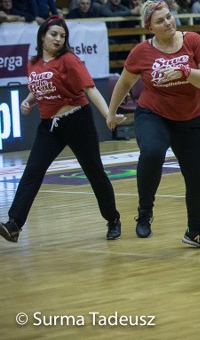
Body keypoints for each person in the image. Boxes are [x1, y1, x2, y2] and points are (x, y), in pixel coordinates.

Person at [0, 17, 123, 243]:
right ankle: (14, 224)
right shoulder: (33, 63)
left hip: (77, 120)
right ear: (42, 36)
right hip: (49, 126)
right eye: (54, 34)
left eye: (62, 36)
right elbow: (39, 90)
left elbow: (91, 90)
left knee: (94, 172)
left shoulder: (68, 60)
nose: (58, 39)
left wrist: (108, 114)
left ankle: (112, 219)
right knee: (32, 172)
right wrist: (28, 101)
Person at [106, 0, 200, 249]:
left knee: (199, 179)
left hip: (194, 118)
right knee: (153, 152)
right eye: (160, 20)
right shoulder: (141, 52)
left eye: (168, 16)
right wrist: (111, 113)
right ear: (150, 27)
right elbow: (124, 83)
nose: (167, 22)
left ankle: (195, 230)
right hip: (154, 114)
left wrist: (184, 71)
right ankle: (145, 211)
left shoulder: (193, 41)